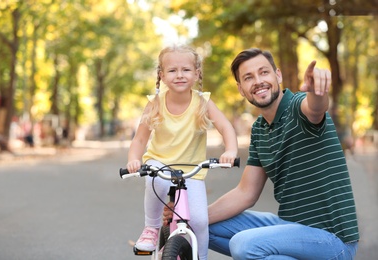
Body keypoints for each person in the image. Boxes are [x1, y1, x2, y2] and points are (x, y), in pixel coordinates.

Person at [205, 48, 359, 259]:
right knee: (204, 227)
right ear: (241, 89)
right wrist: (189, 218)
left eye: (264, 72)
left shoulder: (297, 107)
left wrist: (317, 92)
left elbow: (315, 109)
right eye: (249, 77)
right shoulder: (259, 129)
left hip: (332, 239)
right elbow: (245, 193)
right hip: (291, 228)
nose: (258, 81)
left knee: (244, 244)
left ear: (277, 75)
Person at [126, 44, 238, 260]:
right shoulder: (155, 103)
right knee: (154, 179)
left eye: (186, 70)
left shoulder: (202, 102)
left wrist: (230, 151)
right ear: (162, 75)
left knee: (199, 220)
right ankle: (151, 228)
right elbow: (140, 138)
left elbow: (225, 127)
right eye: (172, 70)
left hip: (191, 171)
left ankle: (201, 256)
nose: (179, 75)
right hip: (160, 165)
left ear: (196, 74)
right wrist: (133, 159)